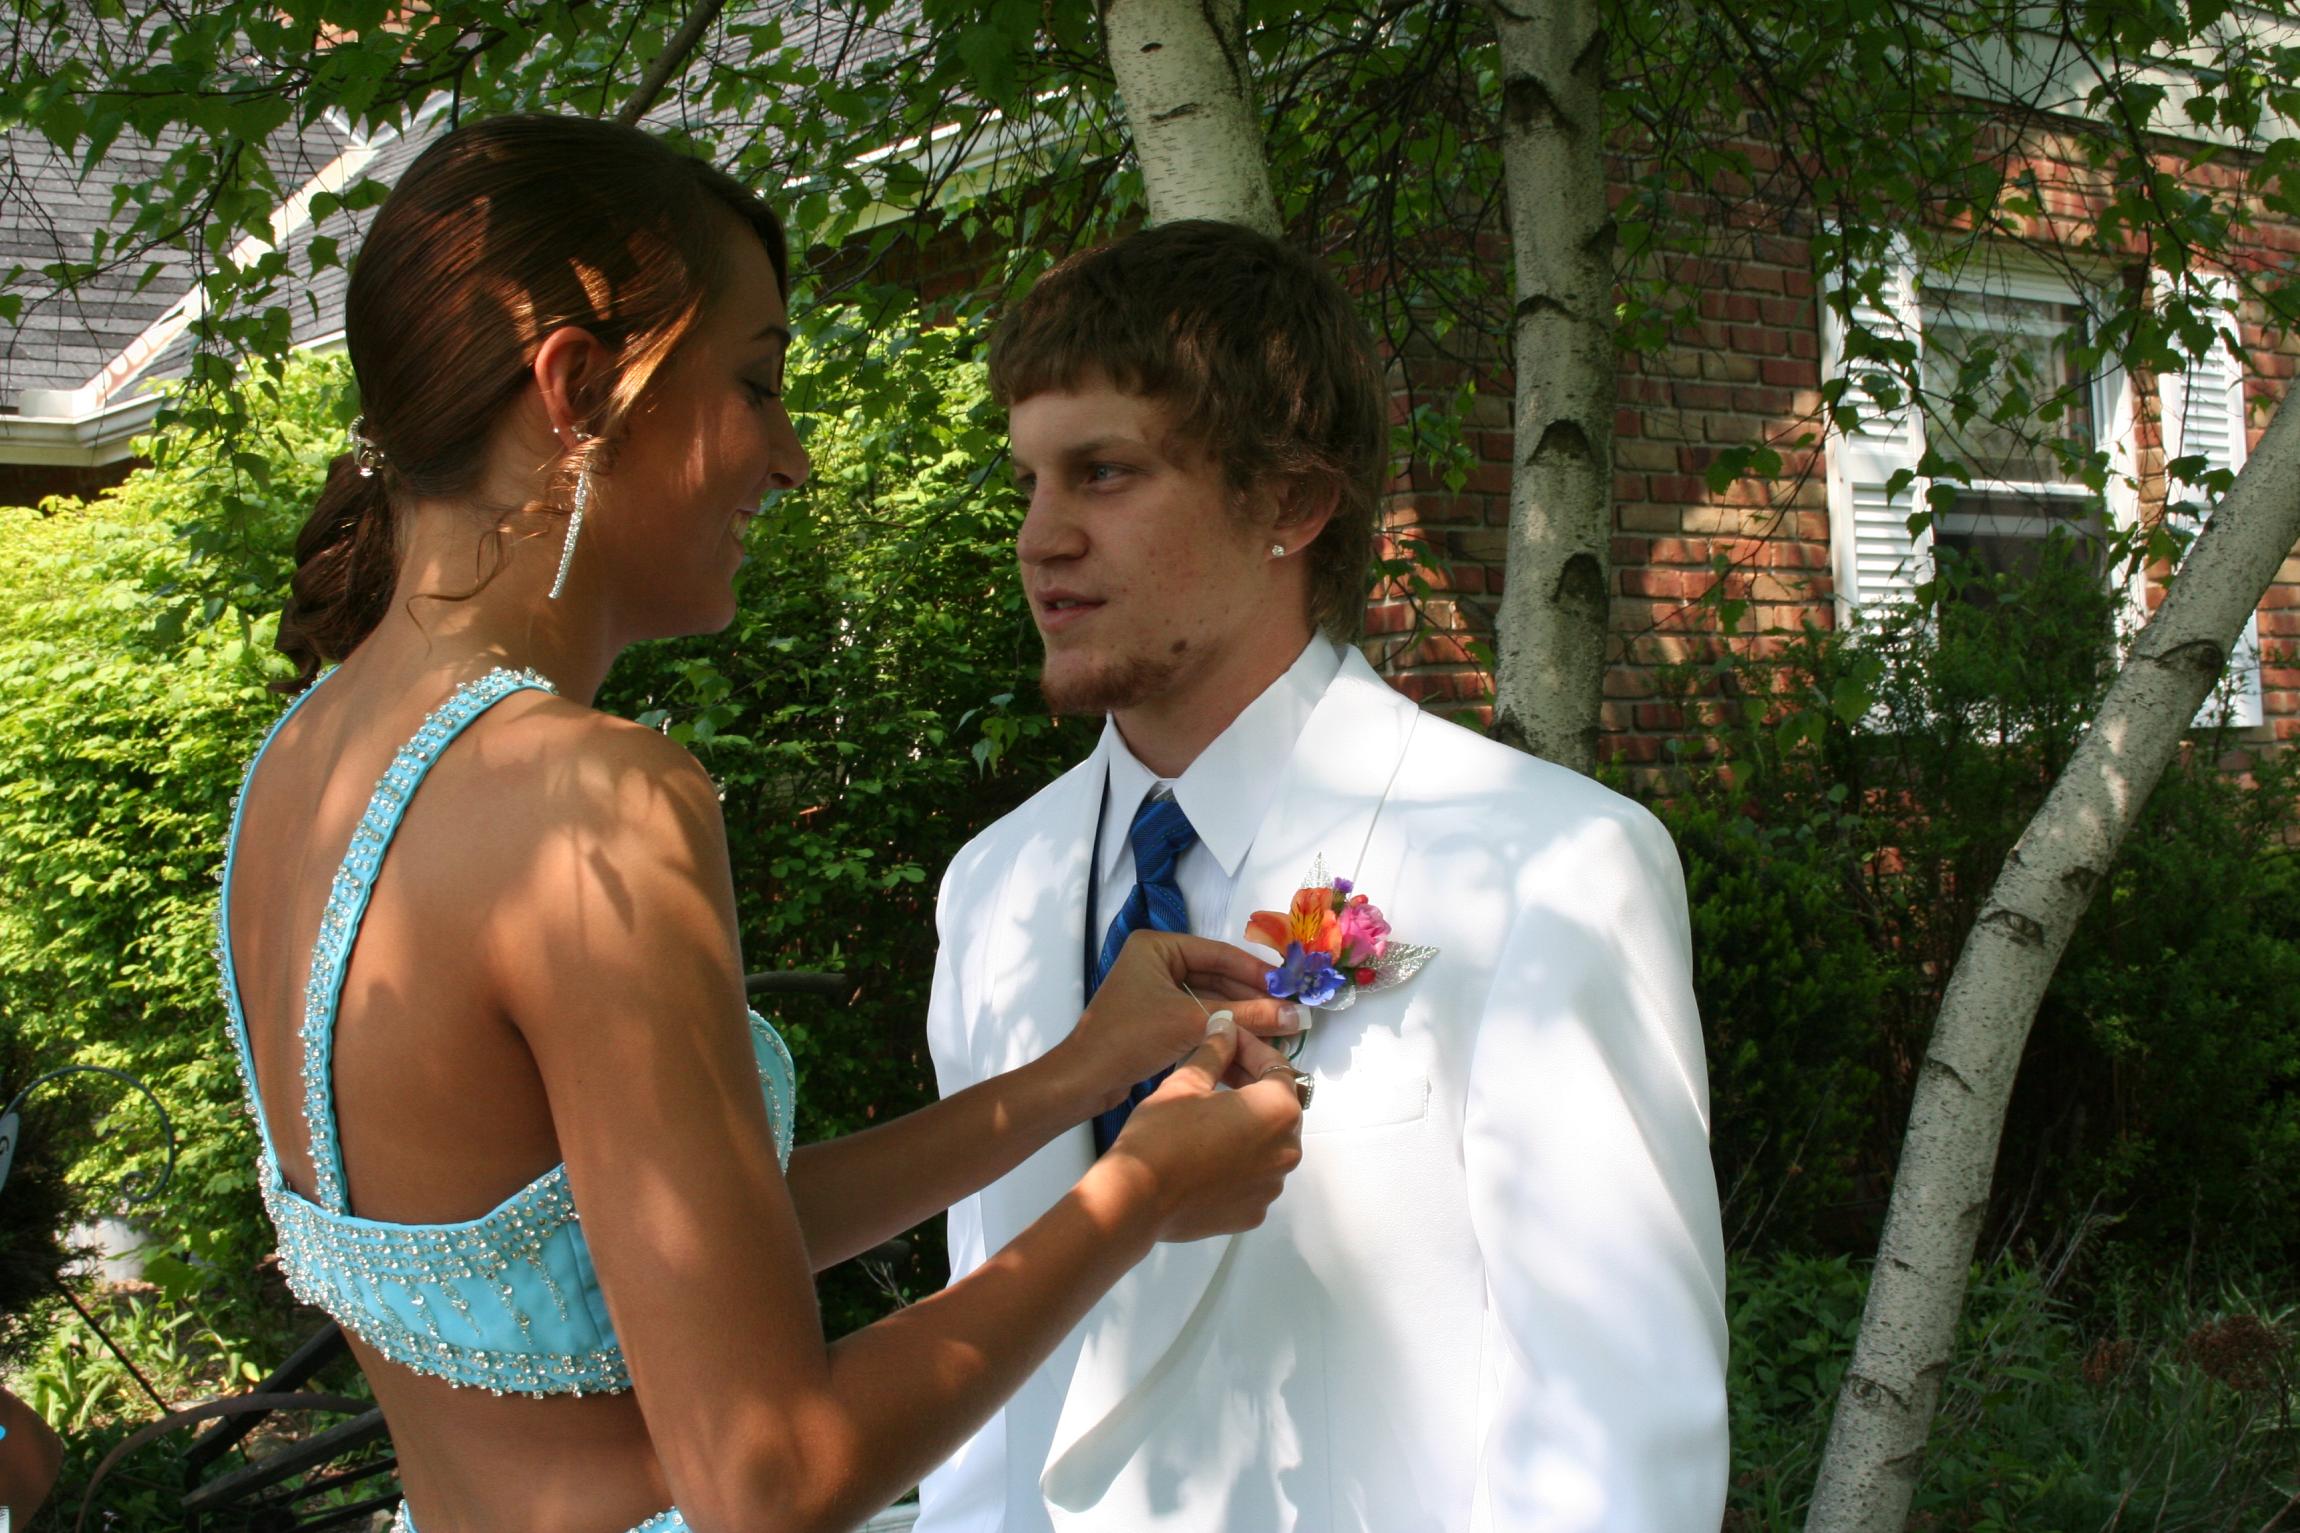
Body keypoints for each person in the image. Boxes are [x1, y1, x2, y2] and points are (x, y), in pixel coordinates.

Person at [218, 114, 1308, 1533]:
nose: (789, 457)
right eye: (756, 382)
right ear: (578, 391)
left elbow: (660, 1249)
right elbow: (768, 1478)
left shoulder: (296, 770)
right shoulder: (587, 801)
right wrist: (1137, 1196)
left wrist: (1072, 1076)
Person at [915, 220, 1730, 1533]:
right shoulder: (992, 888)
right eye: (1029, 481)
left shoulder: (1549, 868)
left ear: (1291, 504)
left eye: (1104, 473)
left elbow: (1613, 1448)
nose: (1039, 536)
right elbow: (981, 1381)